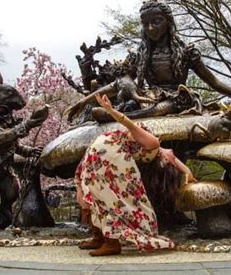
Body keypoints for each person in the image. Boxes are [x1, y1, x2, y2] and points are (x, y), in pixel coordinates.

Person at [66, 0, 231, 122]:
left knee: (158, 110)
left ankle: (114, 116)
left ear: (168, 22)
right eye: (146, 24)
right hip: (150, 96)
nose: (151, 28)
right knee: (131, 98)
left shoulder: (187, 52)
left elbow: (213, 81)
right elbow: (117, 83)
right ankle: (115, 114)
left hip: (177, 98)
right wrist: (84, 101)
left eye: (156, 21)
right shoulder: (142, 54)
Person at [75, 93, 197, 256]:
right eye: (171, 153)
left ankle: (106, 239)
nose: (172, 152)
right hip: (106, 153)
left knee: (98, 194)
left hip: (102, 152)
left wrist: (187, 172)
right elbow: (130, 125)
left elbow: (172, 158)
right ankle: (105, 239)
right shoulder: (154, 145)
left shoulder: (155, 148)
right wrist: (110, 110)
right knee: (109, 197)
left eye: (170, 157)